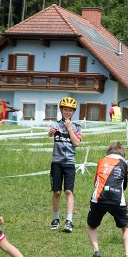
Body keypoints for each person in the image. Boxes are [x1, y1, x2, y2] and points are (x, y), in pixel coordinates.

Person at [87, 142, 128, 257]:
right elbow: (124, 185)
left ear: (108, 153)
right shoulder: (124, 164)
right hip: (117, 199)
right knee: (126, 227)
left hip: (98, 198)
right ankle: (127, 256)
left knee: (92, 225)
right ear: (122, 154)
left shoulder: (101, 161)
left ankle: (96, 252)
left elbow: (96, 181)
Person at [48, 96, 82, 233]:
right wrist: (50, 133)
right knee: (56, 191)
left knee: (68, 191)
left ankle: (69, 220)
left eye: (70, 110)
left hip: (69, 163)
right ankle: (56, 218)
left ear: (73, 112)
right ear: (61, 110)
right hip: (56, 162)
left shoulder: (77, 127)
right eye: (65, 109)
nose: (67, 112)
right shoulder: (56, 125)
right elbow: (50, 134)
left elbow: (77, 143)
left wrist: (69, 128)